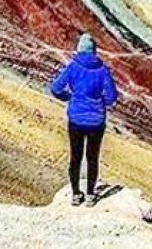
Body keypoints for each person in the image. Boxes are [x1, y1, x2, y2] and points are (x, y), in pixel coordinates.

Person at [49, 32, 118, 207]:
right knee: (92, 158)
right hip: (96, 122)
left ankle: (75, 194)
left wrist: (69, 98)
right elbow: (111, 97)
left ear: (79, 49)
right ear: (94, 51)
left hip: (76, 120)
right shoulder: (103, 70)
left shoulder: (73, 67)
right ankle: (90, 195)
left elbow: (56, 88)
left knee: (76, 157)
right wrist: (99, 103)